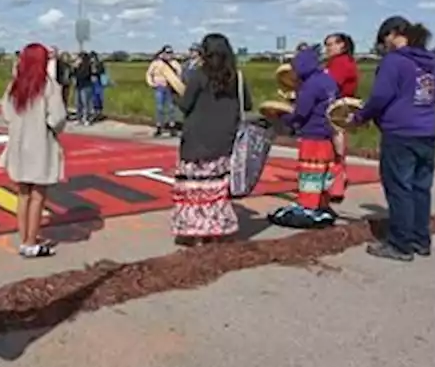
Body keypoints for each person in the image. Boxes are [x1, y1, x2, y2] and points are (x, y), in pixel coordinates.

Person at [348, 16, 435, 262]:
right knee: (421, 188)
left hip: (400, 132)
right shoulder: (433, 62)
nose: (384, 46)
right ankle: (420, 240)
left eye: (384, 40)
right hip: (427, 130)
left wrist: (360, 117)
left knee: (399, 187)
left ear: (393, 34)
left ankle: (400, 244)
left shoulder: (395, 62)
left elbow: (380, 97)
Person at [171, 34, 251, 246]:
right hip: (224, 138)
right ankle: (217, 228)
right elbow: (248, 105)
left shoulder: (198, 75)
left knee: (194, 188)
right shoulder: (237, 77)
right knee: (217, 185)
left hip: (197, 138)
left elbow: (185, 105)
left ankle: (195, 231)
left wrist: (173, 90)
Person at [0, 43, 66, 258]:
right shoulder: (49, 86)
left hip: (18, 144)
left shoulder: (15, 86)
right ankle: (30, 242)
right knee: (38, 196)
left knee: (23, 194)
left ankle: (24, 237)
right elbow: (57, 119)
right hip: (40, 145)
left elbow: (7, 114)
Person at [269, 45, 340, 229]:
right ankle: (322, 205)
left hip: (313, 136)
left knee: (310, 174)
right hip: (327, 135)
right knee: (323, 173)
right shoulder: (328, 81)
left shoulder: (310, 85)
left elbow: (301, 113)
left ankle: (308, 206)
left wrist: (282, 116)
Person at [323, 32, 360, 200]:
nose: (328, 48)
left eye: (331, 45)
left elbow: (331, 84)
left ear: (342, 46)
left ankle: (337, 178)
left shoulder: (340, 63)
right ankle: (338, 176)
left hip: (337, 108)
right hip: (338, 106)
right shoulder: (338, 62)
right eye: (327, 45)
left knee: (336, 142)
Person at [145, 46, 183, 137]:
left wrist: (177, 85)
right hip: (159, 87)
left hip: (170, 88)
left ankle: (172, 126)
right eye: (167, 53)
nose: (168, 55)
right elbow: (149, 74)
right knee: (159, 108)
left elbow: (179, 74)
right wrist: (152, 83)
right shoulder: (156, 63)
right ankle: (159, 126)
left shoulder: (174, 63)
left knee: (171, 108)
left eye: (170, 53)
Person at [73, 51, 96, 124]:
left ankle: (86, 118)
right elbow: (73, 74)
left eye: (79, 57)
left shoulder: (88, 65)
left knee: (85, 103)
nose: (78, 59)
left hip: (86, 86)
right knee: (78, 103)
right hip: (78, 86)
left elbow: (85, 75)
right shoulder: (77, 66)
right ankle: (79, 118)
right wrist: (75, 67)